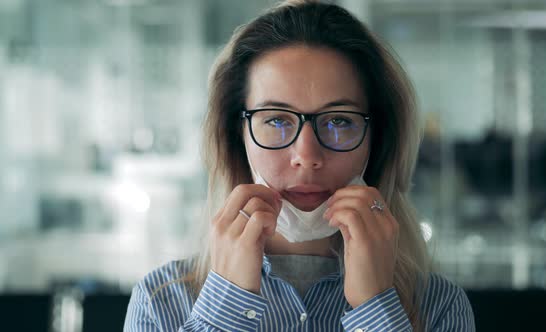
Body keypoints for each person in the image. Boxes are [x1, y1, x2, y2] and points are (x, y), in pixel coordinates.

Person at [124, 1, 475, 331]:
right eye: (276, 120)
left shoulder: (437, 305)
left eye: (339, 121)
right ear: (237, 136)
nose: (306, 155)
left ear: (377, 139)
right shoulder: (161, 303)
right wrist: (226, 306)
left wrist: (376, 308)